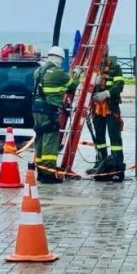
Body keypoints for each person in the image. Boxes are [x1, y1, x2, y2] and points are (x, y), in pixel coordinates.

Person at [32, 46, 80, 184]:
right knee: (50, 142)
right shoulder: (58, 73)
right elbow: (72, 85)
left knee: (40, 139)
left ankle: (40, 171)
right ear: (59, 59)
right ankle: (48, 173)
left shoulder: (38, 71)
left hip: (36, 109)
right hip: (50, 111)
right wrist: (77, 73)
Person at [86, 45, 126, 181]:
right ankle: (101, 164)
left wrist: (107, 93)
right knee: (99, 139)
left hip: (111, 107)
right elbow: (84, 88)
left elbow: (119, 85)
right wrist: (92, 83)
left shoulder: (115, 68)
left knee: (115, 137)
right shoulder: (92, 69)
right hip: (96, 109)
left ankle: (117, 166)